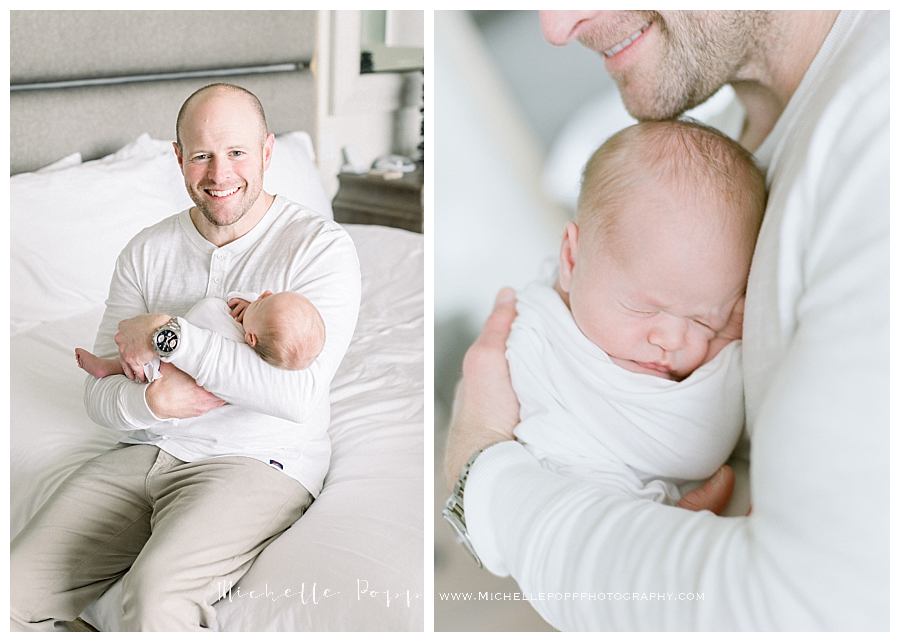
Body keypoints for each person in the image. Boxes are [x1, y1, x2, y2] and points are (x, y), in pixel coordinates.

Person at [444, 10, 887, 630]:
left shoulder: (876, 146)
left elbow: (800, 610)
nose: (556, 25)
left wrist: (481, 478)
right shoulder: (723, 158)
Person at [11, 83, 361, 631]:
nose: (220, 175)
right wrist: (154, 402)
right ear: (178, 158)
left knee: (155, 598)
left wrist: (171, 334)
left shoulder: (319, 248)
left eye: (237, 153)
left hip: (258, 461)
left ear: (268, 152)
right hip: (146, 451)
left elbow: (293, 395)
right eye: (202, 155)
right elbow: (100, 396)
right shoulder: (147, 251)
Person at [510, 119, 764, 503]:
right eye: (643, 308)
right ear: (571, 260)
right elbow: (693, 451)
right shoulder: (538, 330)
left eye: (703, 320)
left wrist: (727, 336)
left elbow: (705, 433)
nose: (672, 340)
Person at [75, 289, 326, 380]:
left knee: (151, 366)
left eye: (259, 304)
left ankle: (108, 368)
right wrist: (250, 305)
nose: (263, 294)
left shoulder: (238, 349)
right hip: (171, 336)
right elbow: (245, 300)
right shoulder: (259, 322)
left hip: (171, 362)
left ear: (251, 339)